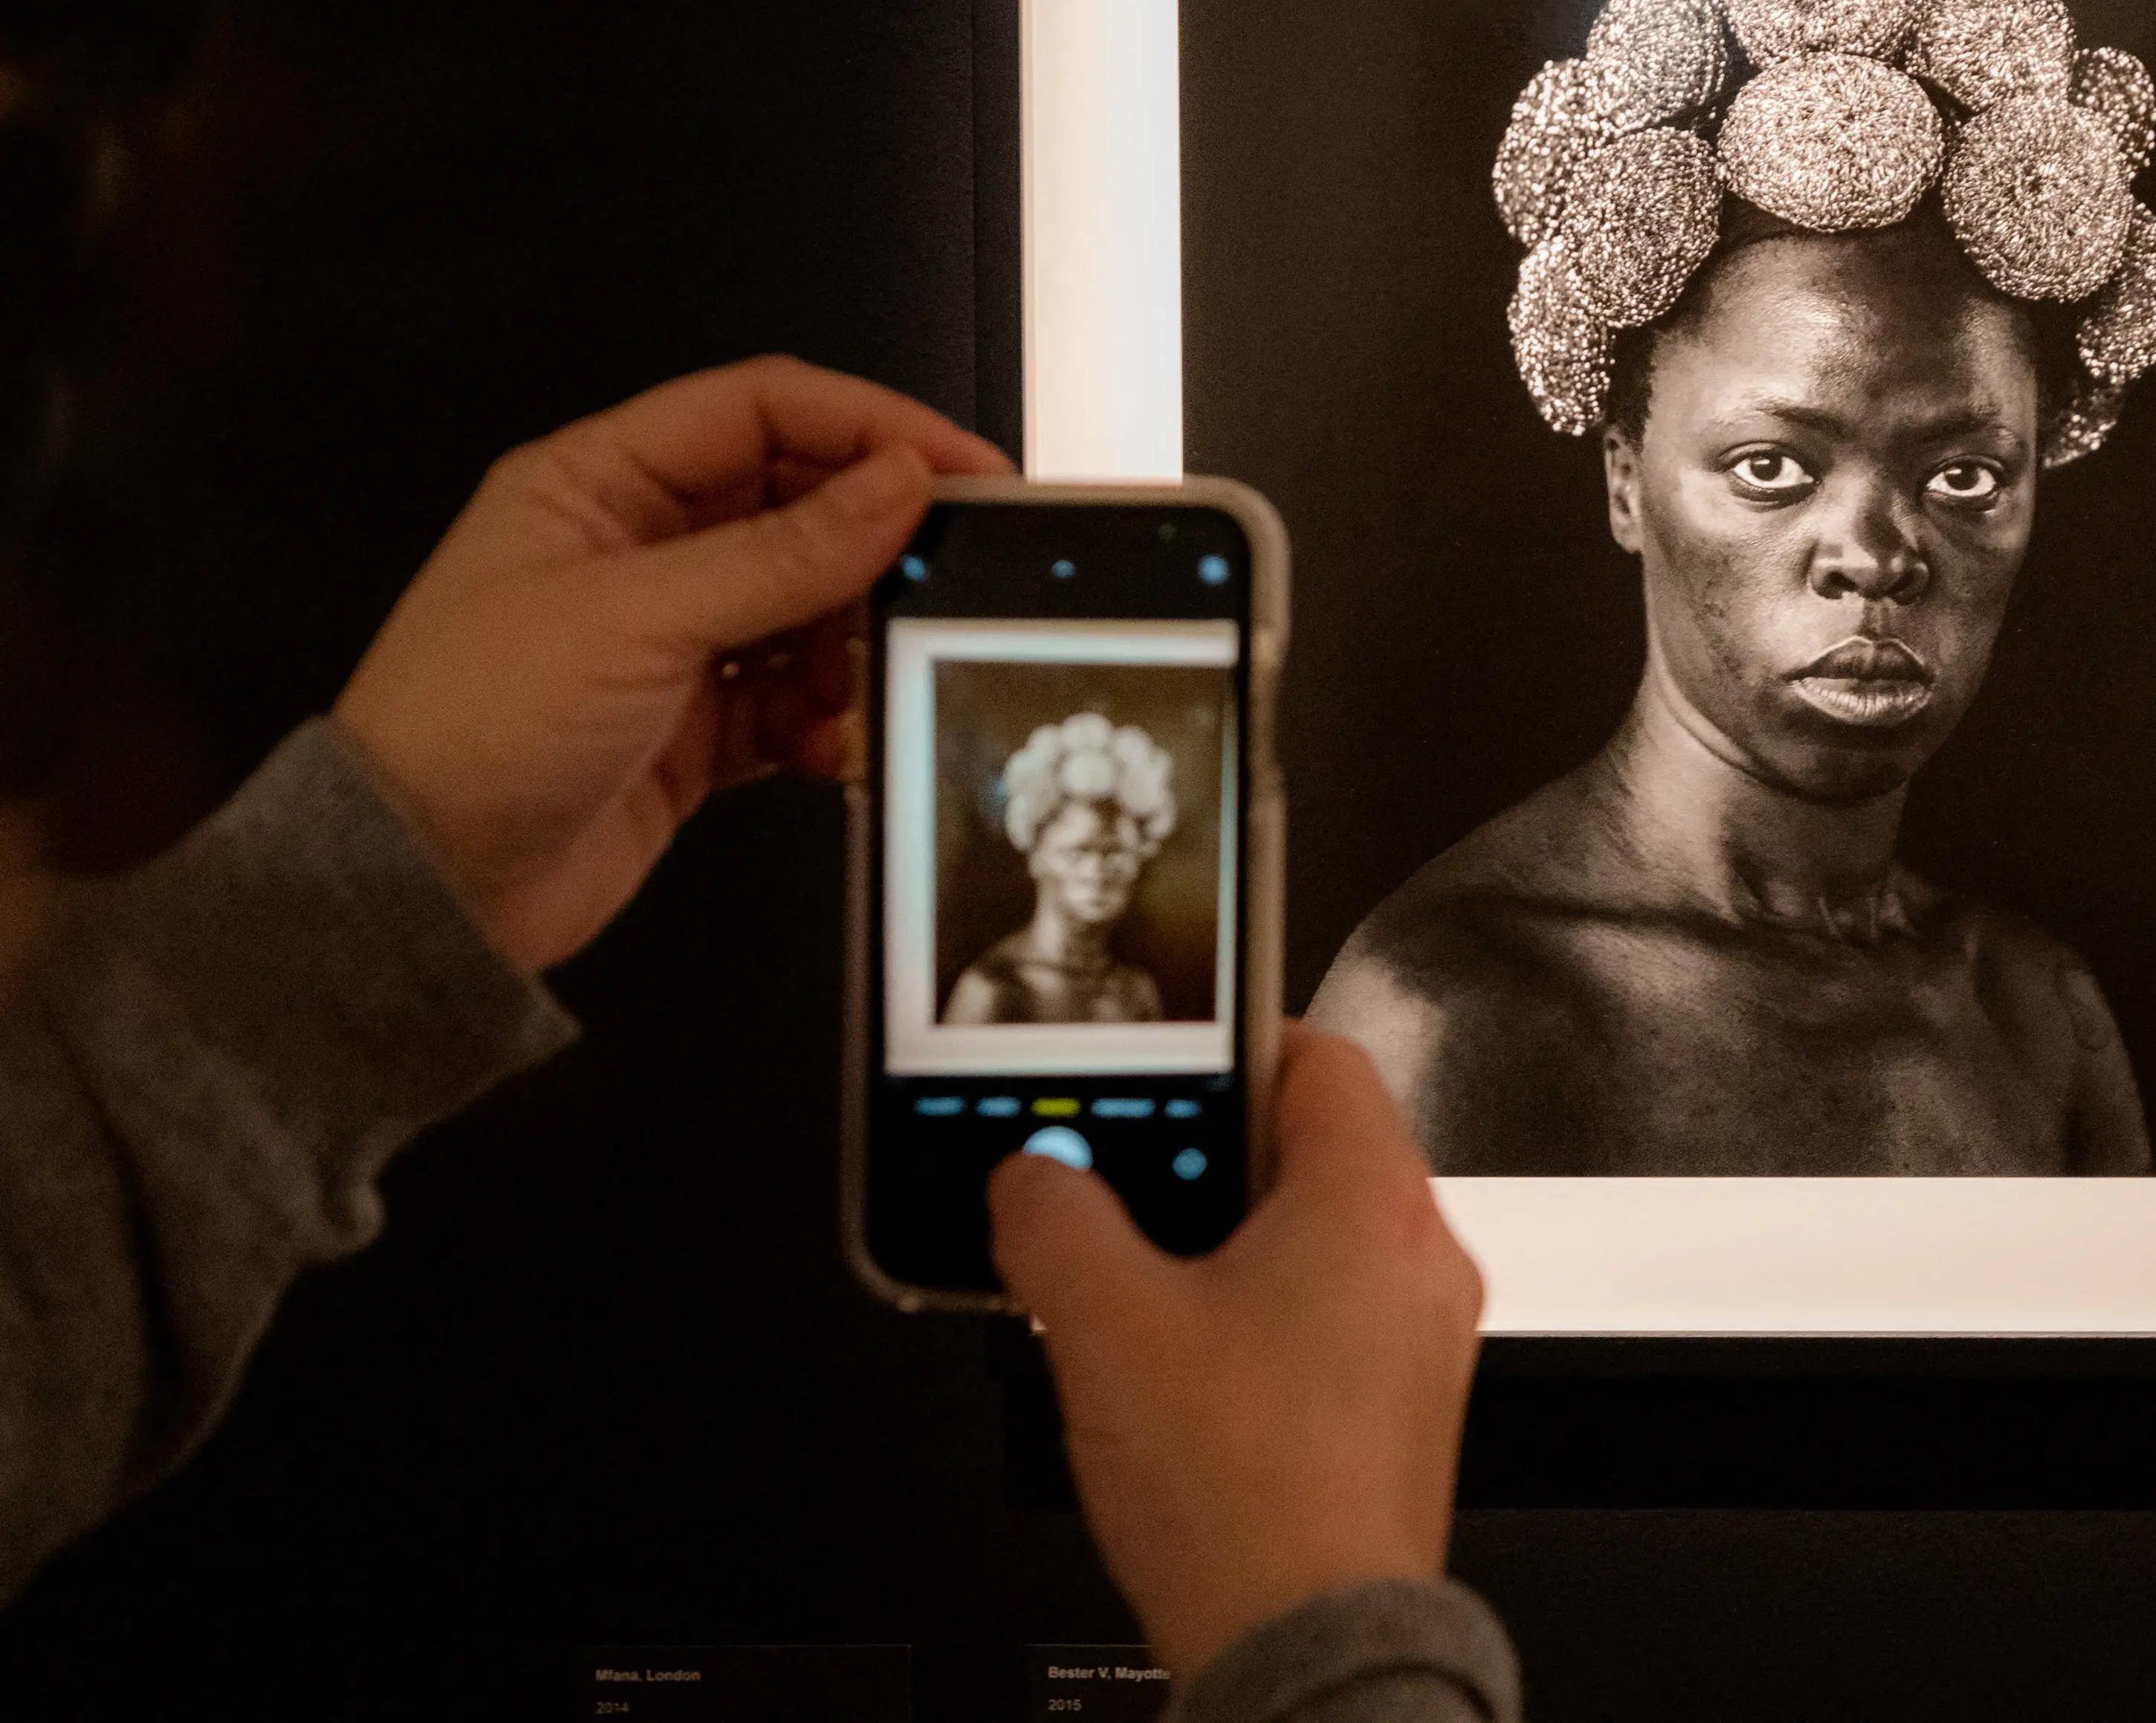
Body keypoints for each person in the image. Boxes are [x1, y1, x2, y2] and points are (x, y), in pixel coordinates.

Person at [0, 358, 1515, 1723]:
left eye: (1135, 830)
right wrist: (1327, 1621)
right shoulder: (1001, 986)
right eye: (1082, 827)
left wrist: (368, 891)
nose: (1112, 856)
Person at [1310, 0, 2156, 1177]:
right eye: (1772, 468)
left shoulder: (2035, 1018)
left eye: (1963, 475)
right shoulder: (1454, 1016)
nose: (1872, 554)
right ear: (1625, 480)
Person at [946, 709, 1181, 1024]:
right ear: (1036, 858)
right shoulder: (992, 990)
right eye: (1076, 853)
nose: (1097, 874)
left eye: (1116, 854)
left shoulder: (1136, 992)